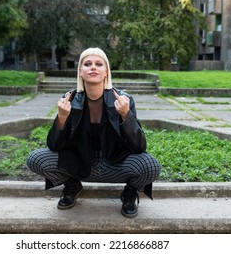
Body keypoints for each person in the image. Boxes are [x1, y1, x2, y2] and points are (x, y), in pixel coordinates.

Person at [27, 47, 161, 218]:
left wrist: (126, 116)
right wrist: (61, 117)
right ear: (80, 71)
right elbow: (54, 145)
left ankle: (129, 193)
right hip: (80, 162)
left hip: (115, 163)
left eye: (99, 64)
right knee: (36, 159)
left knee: (151, 165)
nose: (93, 67)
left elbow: (139, 147)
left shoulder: (123, 100)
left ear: (106, 72)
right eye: (87, 64)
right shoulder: (70, 99)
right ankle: (72, 185)